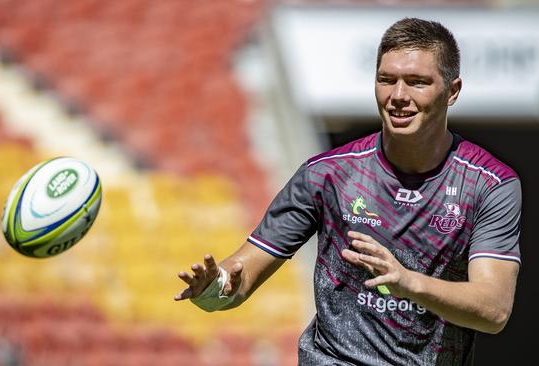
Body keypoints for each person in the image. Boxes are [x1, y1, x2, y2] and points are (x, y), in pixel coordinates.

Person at [175, 17, 521, 365]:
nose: (398, 96)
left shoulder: (489, 184)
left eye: (417, 82)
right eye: (387, 80)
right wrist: (215, 289)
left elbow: (493, 310)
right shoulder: (326, 174)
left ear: (452, 90)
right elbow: (241, 276)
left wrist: (407, 282)